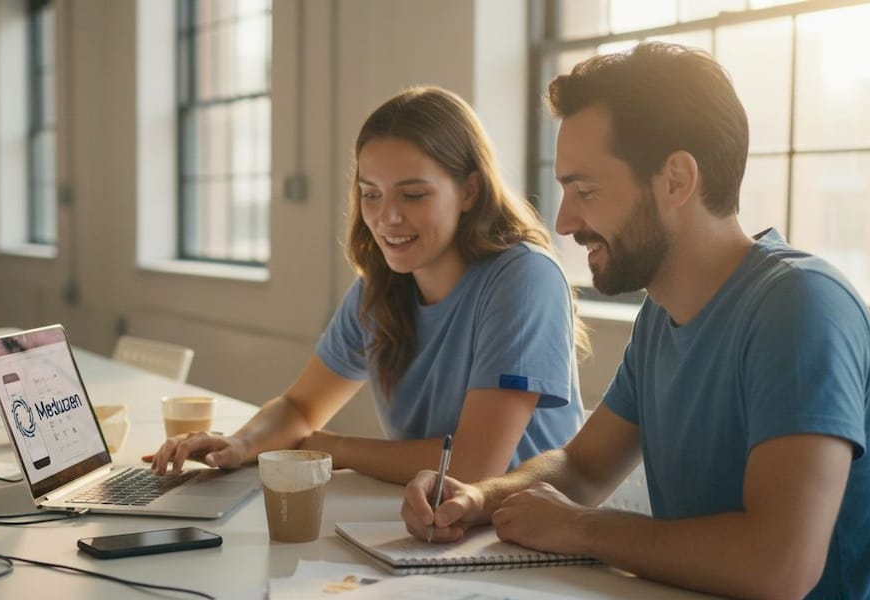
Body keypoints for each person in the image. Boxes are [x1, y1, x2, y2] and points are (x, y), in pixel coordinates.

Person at [402, 43, 870, 600]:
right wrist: (480, 497)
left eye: (586, 191)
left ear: (676, 179)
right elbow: (582, 463)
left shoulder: (799, 307)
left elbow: (778, 565)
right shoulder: (663, 314)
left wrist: (578, 529)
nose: (564, 222)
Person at [151, 86, 586, 486]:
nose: (387, 218)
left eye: (413, 195)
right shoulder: (378, 289)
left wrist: (335, 448)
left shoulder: (525, 278)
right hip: (434, 527)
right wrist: (240, 444)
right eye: (371, 194)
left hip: (523, 544)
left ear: (470, 190)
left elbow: (473, 466)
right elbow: (301, 407)